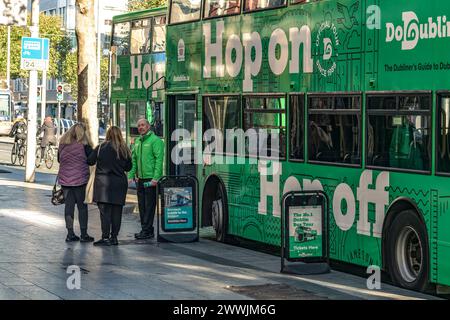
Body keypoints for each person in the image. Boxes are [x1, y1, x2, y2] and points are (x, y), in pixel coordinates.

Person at [88, 126, 132, 246]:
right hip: (119, 184)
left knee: (105, 212)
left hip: (103, 184)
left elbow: (90, 161)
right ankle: (114, 237)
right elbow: (128, 167)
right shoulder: (124, 149)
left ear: (108, 134)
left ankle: (105, 237)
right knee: (117, 211)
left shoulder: (101, 147)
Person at [58, 123, 95, 243]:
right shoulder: (85, 146)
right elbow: (91, 161)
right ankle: (84, 234)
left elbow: (59, 159)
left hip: (65, 181)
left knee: (68, 207)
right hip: (80, 181)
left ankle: (70, 234)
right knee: (82, 208)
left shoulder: (63, 144)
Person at [128, 118, 164, 239]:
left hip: (150, 180)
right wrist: (131, 175)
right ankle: (147, 230)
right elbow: (133, 160)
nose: (140, 127)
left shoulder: (155, 141)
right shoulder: (137, 141)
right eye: (139, 126)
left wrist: (155, 178)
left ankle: (146, 230)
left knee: (149, 206)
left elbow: (159, 161)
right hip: (140, 179)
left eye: (143, 125)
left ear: (148, 126)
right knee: (142, 205)